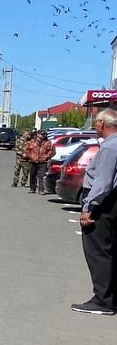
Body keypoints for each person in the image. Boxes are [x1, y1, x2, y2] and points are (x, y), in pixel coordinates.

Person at [73, 108, 117, 315]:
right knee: (109, 251)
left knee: (98, 252)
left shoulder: (110, 147)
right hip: (111, 203)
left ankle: (103, 300)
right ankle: (110, 296)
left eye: (96, 123)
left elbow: (103, 182)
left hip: (104, 204)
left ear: (102, 124)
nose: (94, 126)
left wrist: (88, 207)